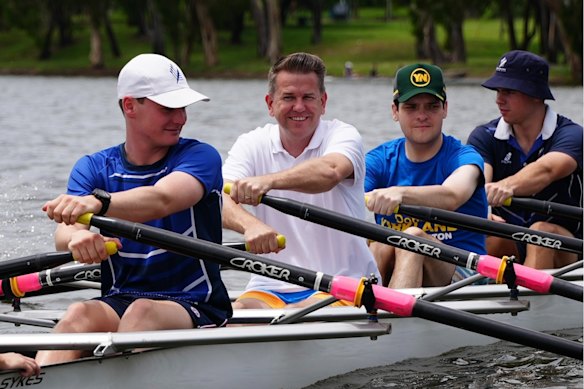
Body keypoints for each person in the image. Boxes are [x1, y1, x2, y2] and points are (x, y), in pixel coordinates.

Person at [36, 53, 232, 365]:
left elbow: (162, 199)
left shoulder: (200, 157)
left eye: (183, 107)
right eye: (168, 108)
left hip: (196, 302)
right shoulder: (94, 167)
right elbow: (67, 231)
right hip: (121, 298)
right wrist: (77, 241)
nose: (180, 117)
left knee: (142, 312)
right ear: (130, 106)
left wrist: (100, 203)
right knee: (78, 314)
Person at [222, 52, 380, 309]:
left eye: (308, 97)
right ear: (270, 104)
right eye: (288, 97)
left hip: (344, 284)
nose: (299, 107)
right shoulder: (252, 143)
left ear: (323, 102)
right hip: (270, 285)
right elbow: (219, 198)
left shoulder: (343, 135)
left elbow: (329, 172)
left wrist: (269, 182)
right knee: (233, 320)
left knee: (292, 317)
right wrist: (249, 226)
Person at [365, 63, 488, 288]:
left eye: (431, 106)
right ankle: (363, 313)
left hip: (466, 272)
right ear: (395, 111)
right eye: (411, 107)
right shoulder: (379, 160)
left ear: (445, 109)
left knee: (412, 237)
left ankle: (393, 319)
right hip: (401, 261)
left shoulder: (464, 157)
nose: (422, 116)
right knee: (377, 244)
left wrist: (399, 193)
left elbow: (452, 195)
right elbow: (340, 189)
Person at [467, 50, 583, 270]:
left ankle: (528, 301)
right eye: (497, 90)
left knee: (539, 233)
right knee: (488, 233)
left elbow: (547, 169)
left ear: (536, 94)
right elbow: (478, 177)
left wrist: (506, 187)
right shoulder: (484, 136)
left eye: (509, 91)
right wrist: (482, 206)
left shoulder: (572, 134)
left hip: (567, 247)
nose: (499, 99)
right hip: (510, 239)